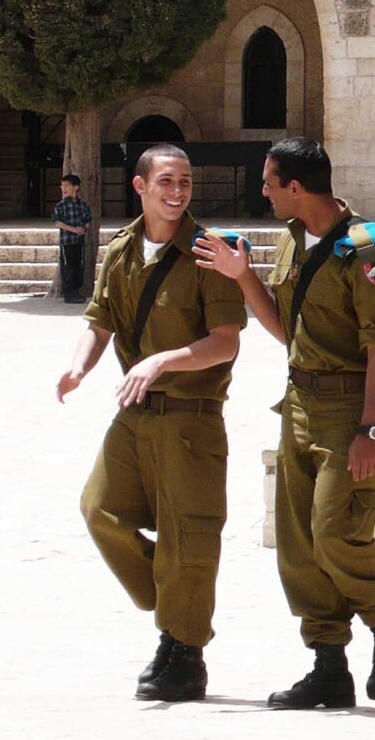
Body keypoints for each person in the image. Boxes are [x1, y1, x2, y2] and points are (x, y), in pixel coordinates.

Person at [203, 136, 375, 710]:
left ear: (296, 187)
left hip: (350, 409)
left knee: (333, 531)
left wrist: (372, 429)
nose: (263, 191)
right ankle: (328, 664)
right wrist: (242, 276)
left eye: (270, 182)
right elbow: (286, 330)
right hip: (298, 404)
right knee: (297, 544)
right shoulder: (292, 240)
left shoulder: (368, 252)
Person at [60, 144, 249, 703]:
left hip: (190, 417)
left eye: (185, 182)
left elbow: (225, 341)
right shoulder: (119, 249)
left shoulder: (210, 253)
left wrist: (163, 360)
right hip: (134, 414)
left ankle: (183, 651)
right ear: (139, 187)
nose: (177, 191)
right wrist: (78, 366)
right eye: (166, 181)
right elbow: (99, 320)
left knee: (188, 536)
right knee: (100, 509)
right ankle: (174, 604)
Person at [53, 174, 93, 303]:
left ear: (76, 187)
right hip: (67, 242)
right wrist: (73, 229)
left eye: (66, 186)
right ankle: (69, 294)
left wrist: (84, 229)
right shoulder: (61, 205)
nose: (63, 188)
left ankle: (77, 292)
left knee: (78, 266)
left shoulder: (83, 205)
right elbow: (57, 222)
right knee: (67, 267)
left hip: (79, 241)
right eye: (62, 186)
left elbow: (87, 220)